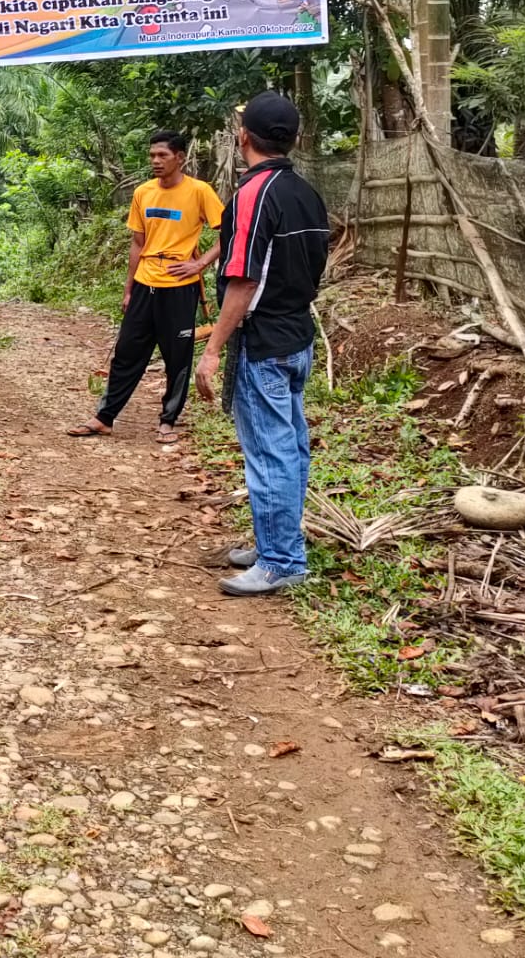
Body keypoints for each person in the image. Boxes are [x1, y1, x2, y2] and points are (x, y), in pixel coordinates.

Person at [195, 92, 330, 597]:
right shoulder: (306, 193)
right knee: (290, 447)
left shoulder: (253, 195)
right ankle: (277, 541)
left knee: (270, 453)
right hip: (297, 335)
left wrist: (213, 351)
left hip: (264, 340)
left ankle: (280, 560)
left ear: (244, 137)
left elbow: (244, 281)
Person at [69, 130, 223, 446]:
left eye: (162, 155)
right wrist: (128, 289)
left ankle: (168, 421)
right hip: (145, 283)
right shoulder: (143, 193)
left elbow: (229, 233)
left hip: (180, 287)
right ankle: (104, 418)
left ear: (180, 158)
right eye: (152, 155)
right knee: (127, 353)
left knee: (177, 356)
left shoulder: (199, 192)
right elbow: (137, 244)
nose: (155, 160)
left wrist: (199, 264)